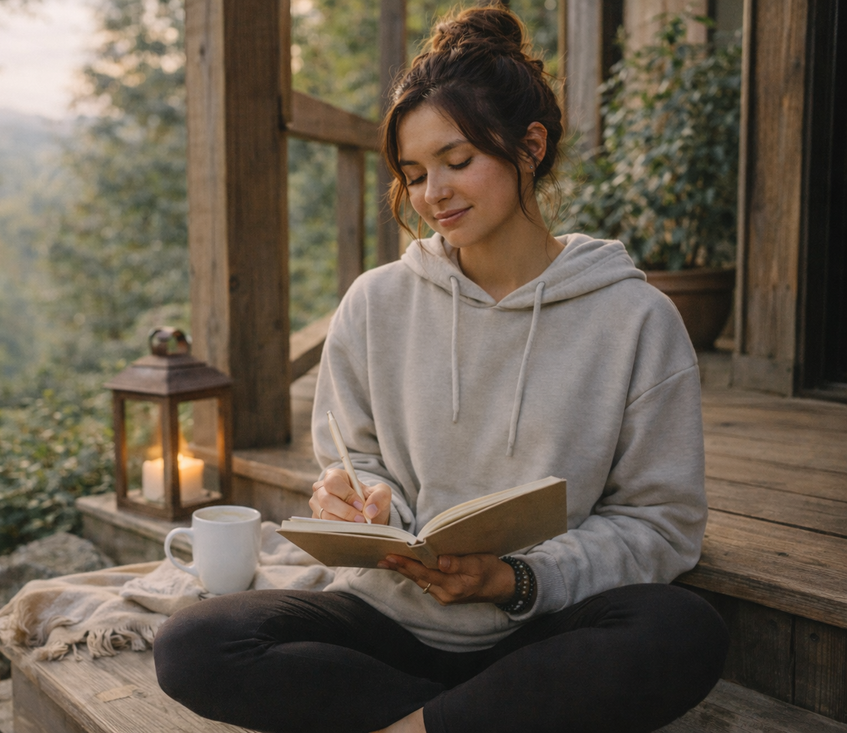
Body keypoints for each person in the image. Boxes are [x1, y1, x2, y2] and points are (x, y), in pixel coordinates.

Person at [154, 5, 729, 732]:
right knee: (193, 642)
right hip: (392, 624)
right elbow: (353, 459)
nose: (434, 195)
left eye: (458, 162)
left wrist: (518, 577)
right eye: (415, 173)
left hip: (540, 622)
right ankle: (469, 720)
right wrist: (362, 501)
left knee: (685, 630)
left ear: (530, 145)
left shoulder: (636, 319)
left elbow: (662, 521)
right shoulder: (374, 303)